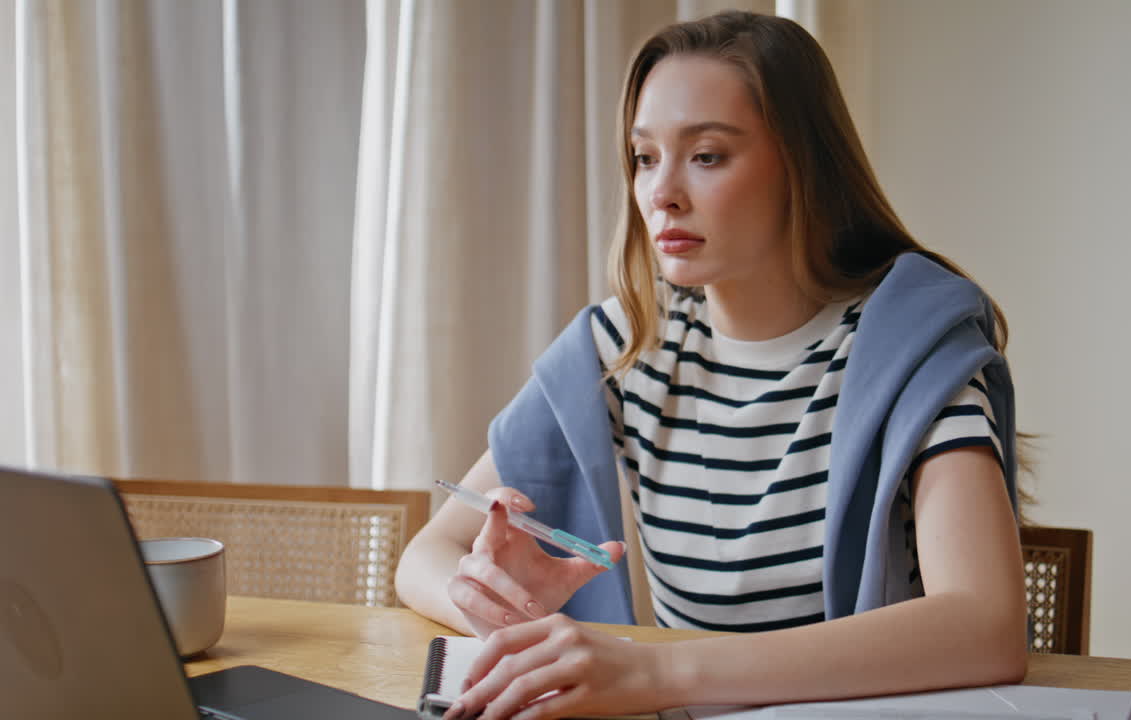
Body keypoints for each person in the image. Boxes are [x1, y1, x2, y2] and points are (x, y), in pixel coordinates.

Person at [395, 10, 1027, 720]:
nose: (661, 192)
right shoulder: (627, 345)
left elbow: (987, 624)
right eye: (644, 157)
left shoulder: (908, 347)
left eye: (707, 156)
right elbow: (425, 555)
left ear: (803, 167)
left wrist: (661, 673)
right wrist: (494, 599)